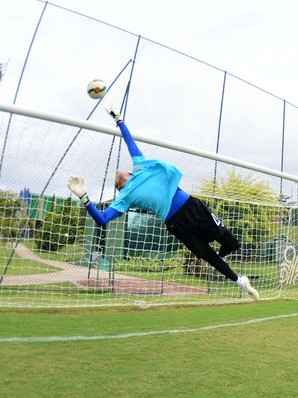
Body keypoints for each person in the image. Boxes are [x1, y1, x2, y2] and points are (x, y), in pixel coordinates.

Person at [67, 106, 259, 300]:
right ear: (118, 187)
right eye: (115, 177)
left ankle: (222, 254)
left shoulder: (140, 165)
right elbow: (102, 219)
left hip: (192, 206)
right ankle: (240, 281)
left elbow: (128, 140)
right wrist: (85, 198)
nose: (117, 171)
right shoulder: (124, 197)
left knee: (231, 243)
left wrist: (118, 119)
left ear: (129, 172)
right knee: (206, 255)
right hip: (177, 223)